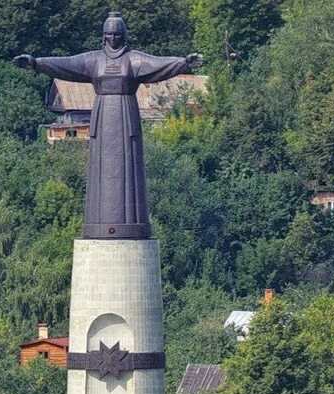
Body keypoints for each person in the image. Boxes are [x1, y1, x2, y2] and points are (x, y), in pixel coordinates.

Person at [15, 12, 203, 239]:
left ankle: (130, 224)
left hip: (126, 115)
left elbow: (158, 64)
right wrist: (36, 63)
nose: (113, 38)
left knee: (129, 168)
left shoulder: (134, 60)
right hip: (102, 116)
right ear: (103, 36)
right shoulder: (94, 60)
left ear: (124, 36)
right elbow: (65, 65)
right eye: (109, 34)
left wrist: (183, 63)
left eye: (117, 34)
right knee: (101, 172)